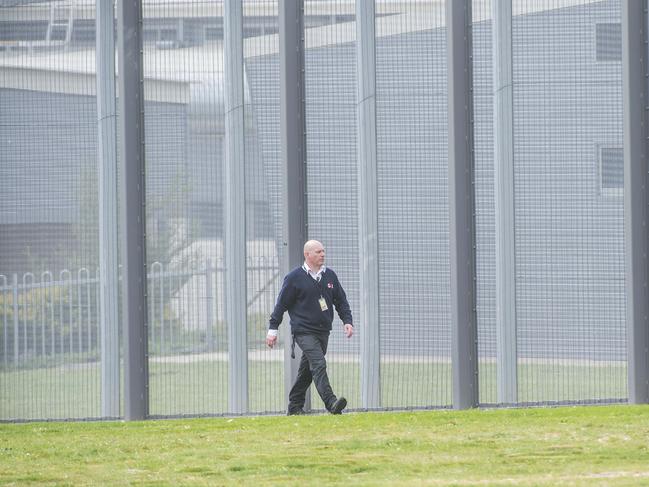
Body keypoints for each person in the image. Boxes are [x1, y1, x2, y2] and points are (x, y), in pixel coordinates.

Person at [266, 240, 354, 415]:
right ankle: (332, 403)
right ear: (307, 255)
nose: (322, 254)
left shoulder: (330, 276)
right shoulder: (293, 278)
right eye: (318, 252)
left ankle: (294, 406)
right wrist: (272, 330)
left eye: (323, 251)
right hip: (303, 331)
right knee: (319, 363)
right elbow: (281, 305)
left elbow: (341, 301)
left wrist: (347, 321)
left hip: (323, 331)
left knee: (307, 371)